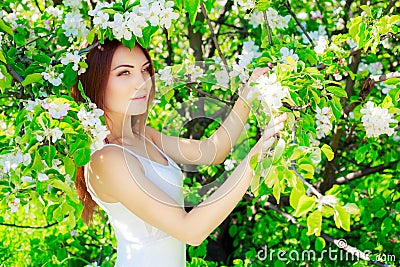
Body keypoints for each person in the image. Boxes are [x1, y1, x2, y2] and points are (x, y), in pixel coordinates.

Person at [72, 38, 287, 266]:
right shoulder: (106, 159)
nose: (142, 82)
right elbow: (190, 230)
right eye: (124, 73)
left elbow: (211, 151)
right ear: (94, 80)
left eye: (145, 70)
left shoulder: (140, 135)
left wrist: (248, 94)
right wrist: (256, 155)